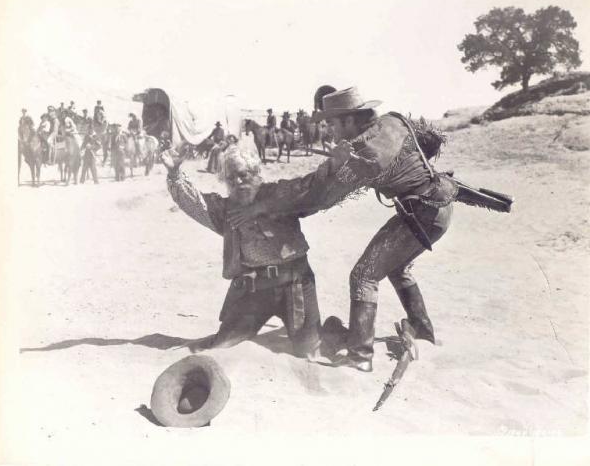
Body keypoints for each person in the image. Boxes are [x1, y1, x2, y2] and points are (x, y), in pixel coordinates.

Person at [237, 87, 456, 372]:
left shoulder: (364, 153)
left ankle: (360, 356)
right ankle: (422, 329)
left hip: (422, 215)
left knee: (364, 275)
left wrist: (267, 205)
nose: (330, 130)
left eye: (333, 123)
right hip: (439, 203)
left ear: (350, 120)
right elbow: (429, 141)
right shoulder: (392, 121)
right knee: (396, 268)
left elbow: (320, 197)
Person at [162, 140, 351, 358]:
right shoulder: (226, 209)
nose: (238, 181)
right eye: (231, 178)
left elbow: (310, 189)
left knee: (308, 351)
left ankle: (331, 328)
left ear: (255, 173)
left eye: (243, 175)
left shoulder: (279, 193)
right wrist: (174, 173)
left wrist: (335, 165)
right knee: (223, 347)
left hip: (295, 285)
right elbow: (196, 204)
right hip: (253, 290)